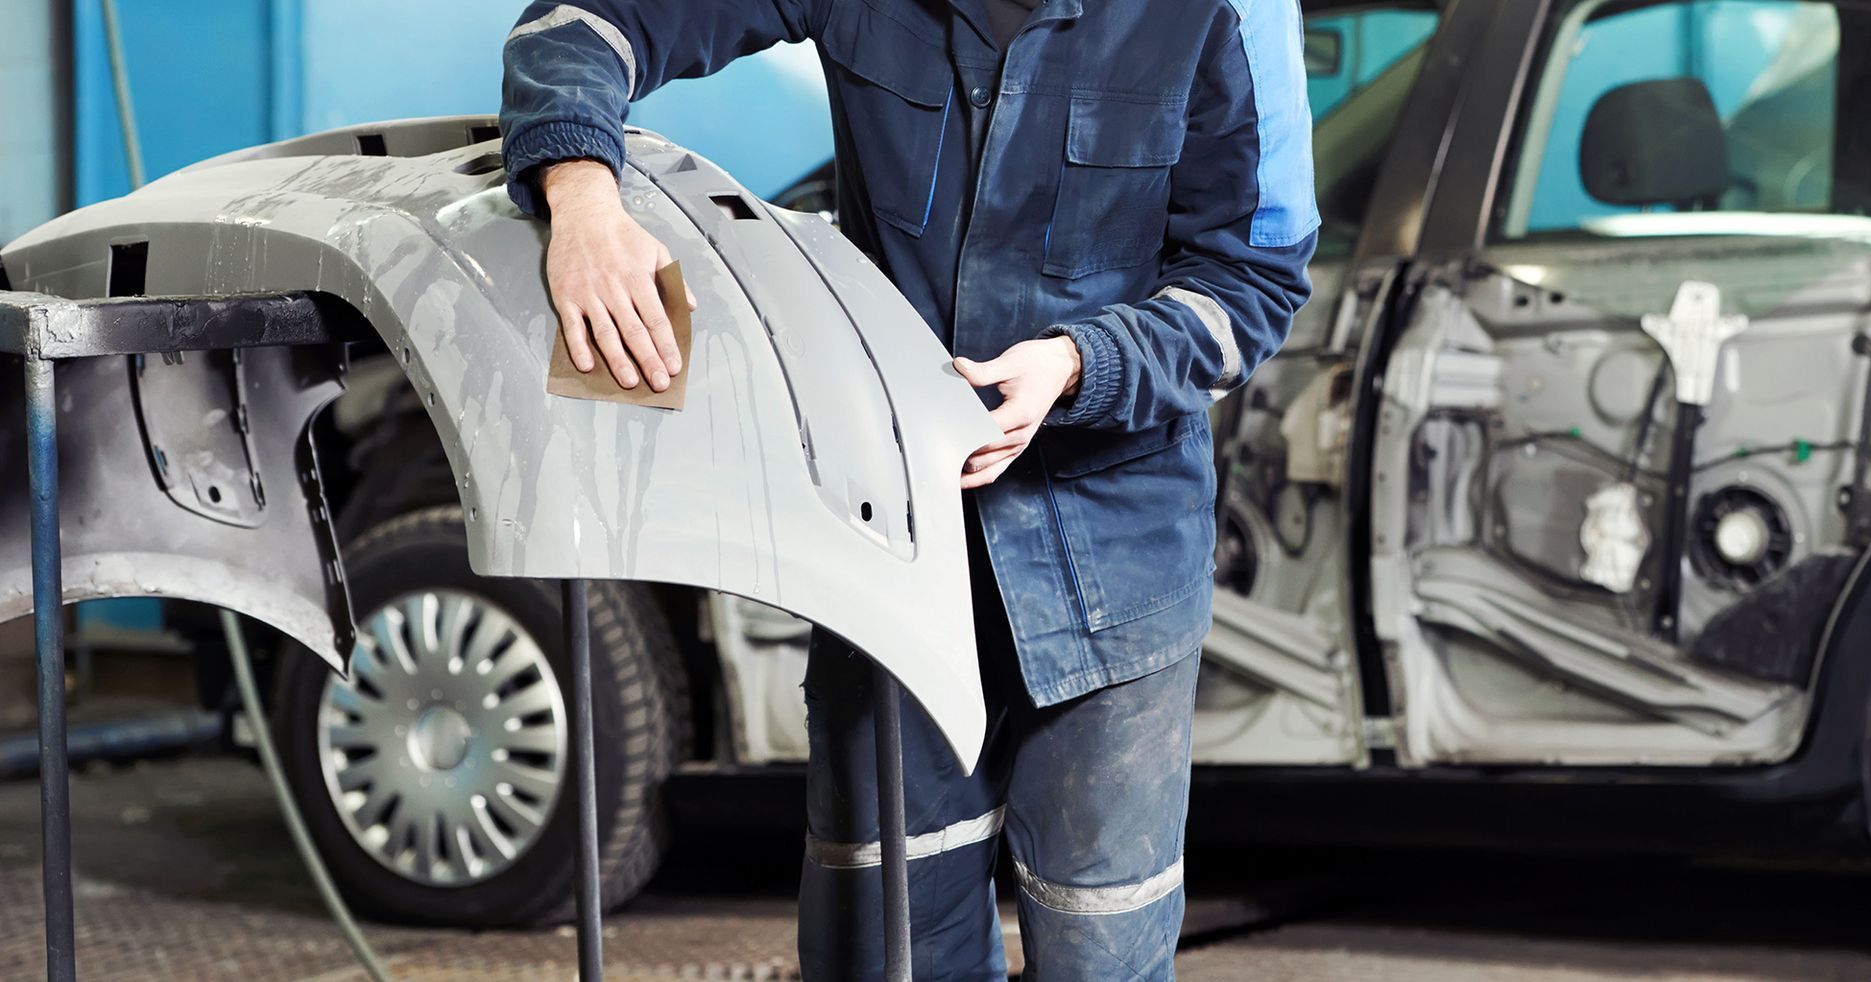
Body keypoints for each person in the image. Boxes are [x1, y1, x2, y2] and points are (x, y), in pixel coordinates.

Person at [500, 0, 1315, 976]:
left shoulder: (1228, 11)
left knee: (1104, 953)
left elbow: (1253, 281)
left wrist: (1076, 364)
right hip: (891, 552)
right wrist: (583, 199)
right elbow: (586, 23)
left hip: (1114, 563)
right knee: (878, 944)